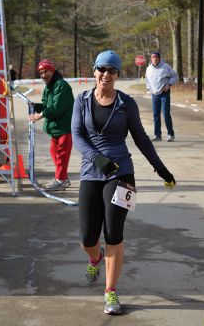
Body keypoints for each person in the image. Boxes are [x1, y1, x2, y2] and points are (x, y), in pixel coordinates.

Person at [71, 49, 176, 315]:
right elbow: (77, 136)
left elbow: (140, 137)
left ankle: (111, 292)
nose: (106, 75)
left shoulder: (125, 103)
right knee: (86, 237)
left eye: (112, 70)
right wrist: (97, 159)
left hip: (121, 173)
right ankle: (95, 257)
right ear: (94, 71)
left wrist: (160, 168)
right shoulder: (82, 100)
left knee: (114, 234)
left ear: (118, 74)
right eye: (102, 69)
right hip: (91, 172)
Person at [29, 58, 74, 191]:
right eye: (41, 73)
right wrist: (35, 106)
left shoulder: (62, 86)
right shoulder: (49, 87)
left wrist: (40, 115)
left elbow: (56, 107)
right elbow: (46, 105)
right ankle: (63, 178)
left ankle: (59, 180)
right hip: (55, 129)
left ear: (53, 71)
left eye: (46, 72)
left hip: (64, 128)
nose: (44, 75)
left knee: (61, 155)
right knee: (54, 152)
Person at [145, 51, 179, 142]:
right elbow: (147, 80)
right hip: (154, 94)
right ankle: (157, 135)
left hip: (164, 93)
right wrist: (149, 89)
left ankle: (170, 134)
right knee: (156, 115)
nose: (154, 59)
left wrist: (169, 84)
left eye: (156, 57)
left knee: (166, 113)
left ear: (159, 58)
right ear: (151, 59)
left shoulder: (166, 67)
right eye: (153, 57)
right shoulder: (148, 68)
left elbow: (175, 77)